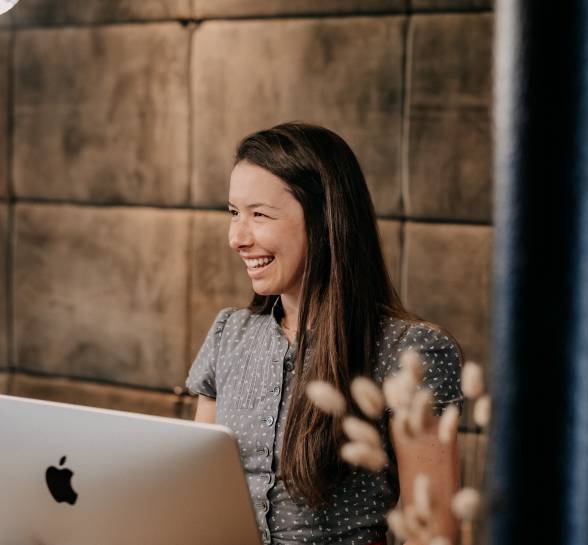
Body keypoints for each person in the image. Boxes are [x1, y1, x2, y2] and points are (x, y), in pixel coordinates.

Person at [186, 122, 463, 545]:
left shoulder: (409, 352)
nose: (236, 237)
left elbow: (434, 532)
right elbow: (196, 494)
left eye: (258, 214)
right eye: (233, 212)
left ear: (324, 219)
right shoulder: (228, 334)